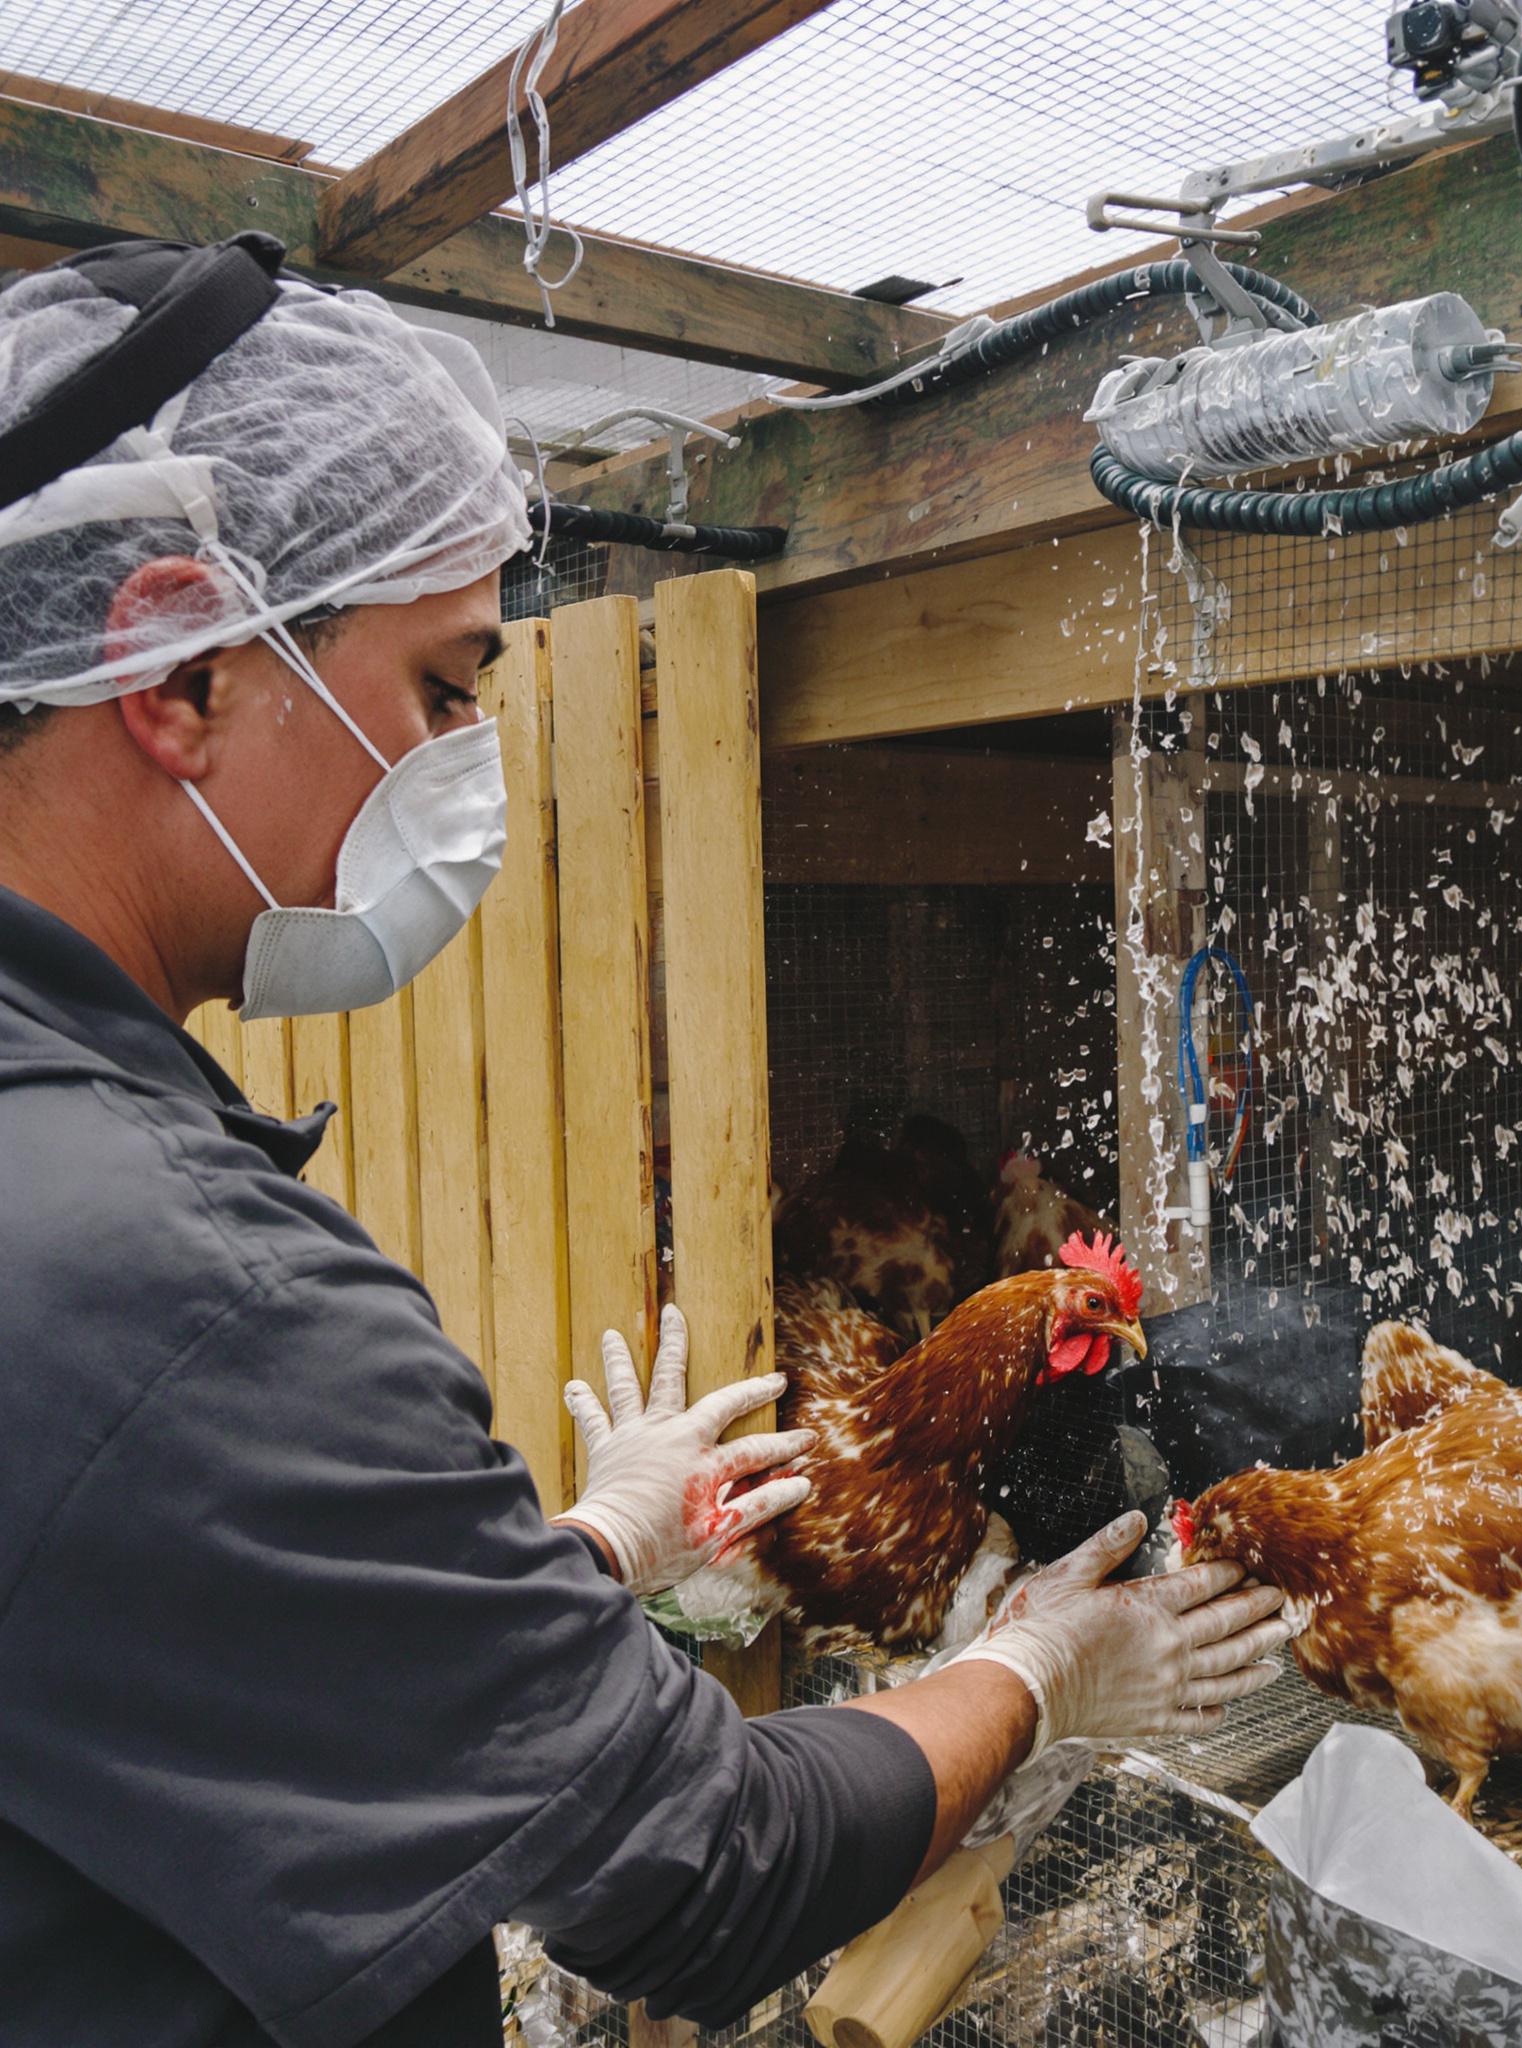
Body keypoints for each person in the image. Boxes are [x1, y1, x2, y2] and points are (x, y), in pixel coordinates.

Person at [0, 235, 1289, 2047]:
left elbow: (169, 1652)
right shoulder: (185, 1288)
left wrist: (586, 1553)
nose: (467, 761)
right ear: (173, 669)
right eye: (446, 688)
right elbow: (706, 1869)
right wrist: (1038, 1667)